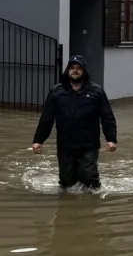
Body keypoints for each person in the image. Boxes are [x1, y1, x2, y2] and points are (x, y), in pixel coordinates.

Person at [32, 56, 117, 190]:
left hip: (89, 144)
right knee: (66, 181)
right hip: (65, 143)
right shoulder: (57, 92)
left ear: (84, 71)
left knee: (89, 176)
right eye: (72, 68)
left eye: (78, 68)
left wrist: (111, 139)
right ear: (68, 70)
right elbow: (46, 118)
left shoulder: (96, 91)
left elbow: (107, 117)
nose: (75, 71)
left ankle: (93, 203)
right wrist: (38, 140)